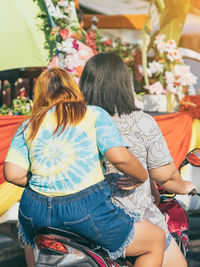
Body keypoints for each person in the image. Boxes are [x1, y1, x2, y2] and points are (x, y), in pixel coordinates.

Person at [4, 67, 166, 267]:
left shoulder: (29, 124)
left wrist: (42, 183)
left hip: (34, 211)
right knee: (155, 240)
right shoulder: (93, 114)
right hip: (84, 211)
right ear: (74, 88)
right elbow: (119, 157)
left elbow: (12, 174)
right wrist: (141, 176)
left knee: (32, 242)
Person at [79, 52, 197, 267]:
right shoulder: (142, 122)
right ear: (124, 84)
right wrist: (186, 186)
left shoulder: (73, 121)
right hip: (132, 220)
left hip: (78, 217)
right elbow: (165, 176)